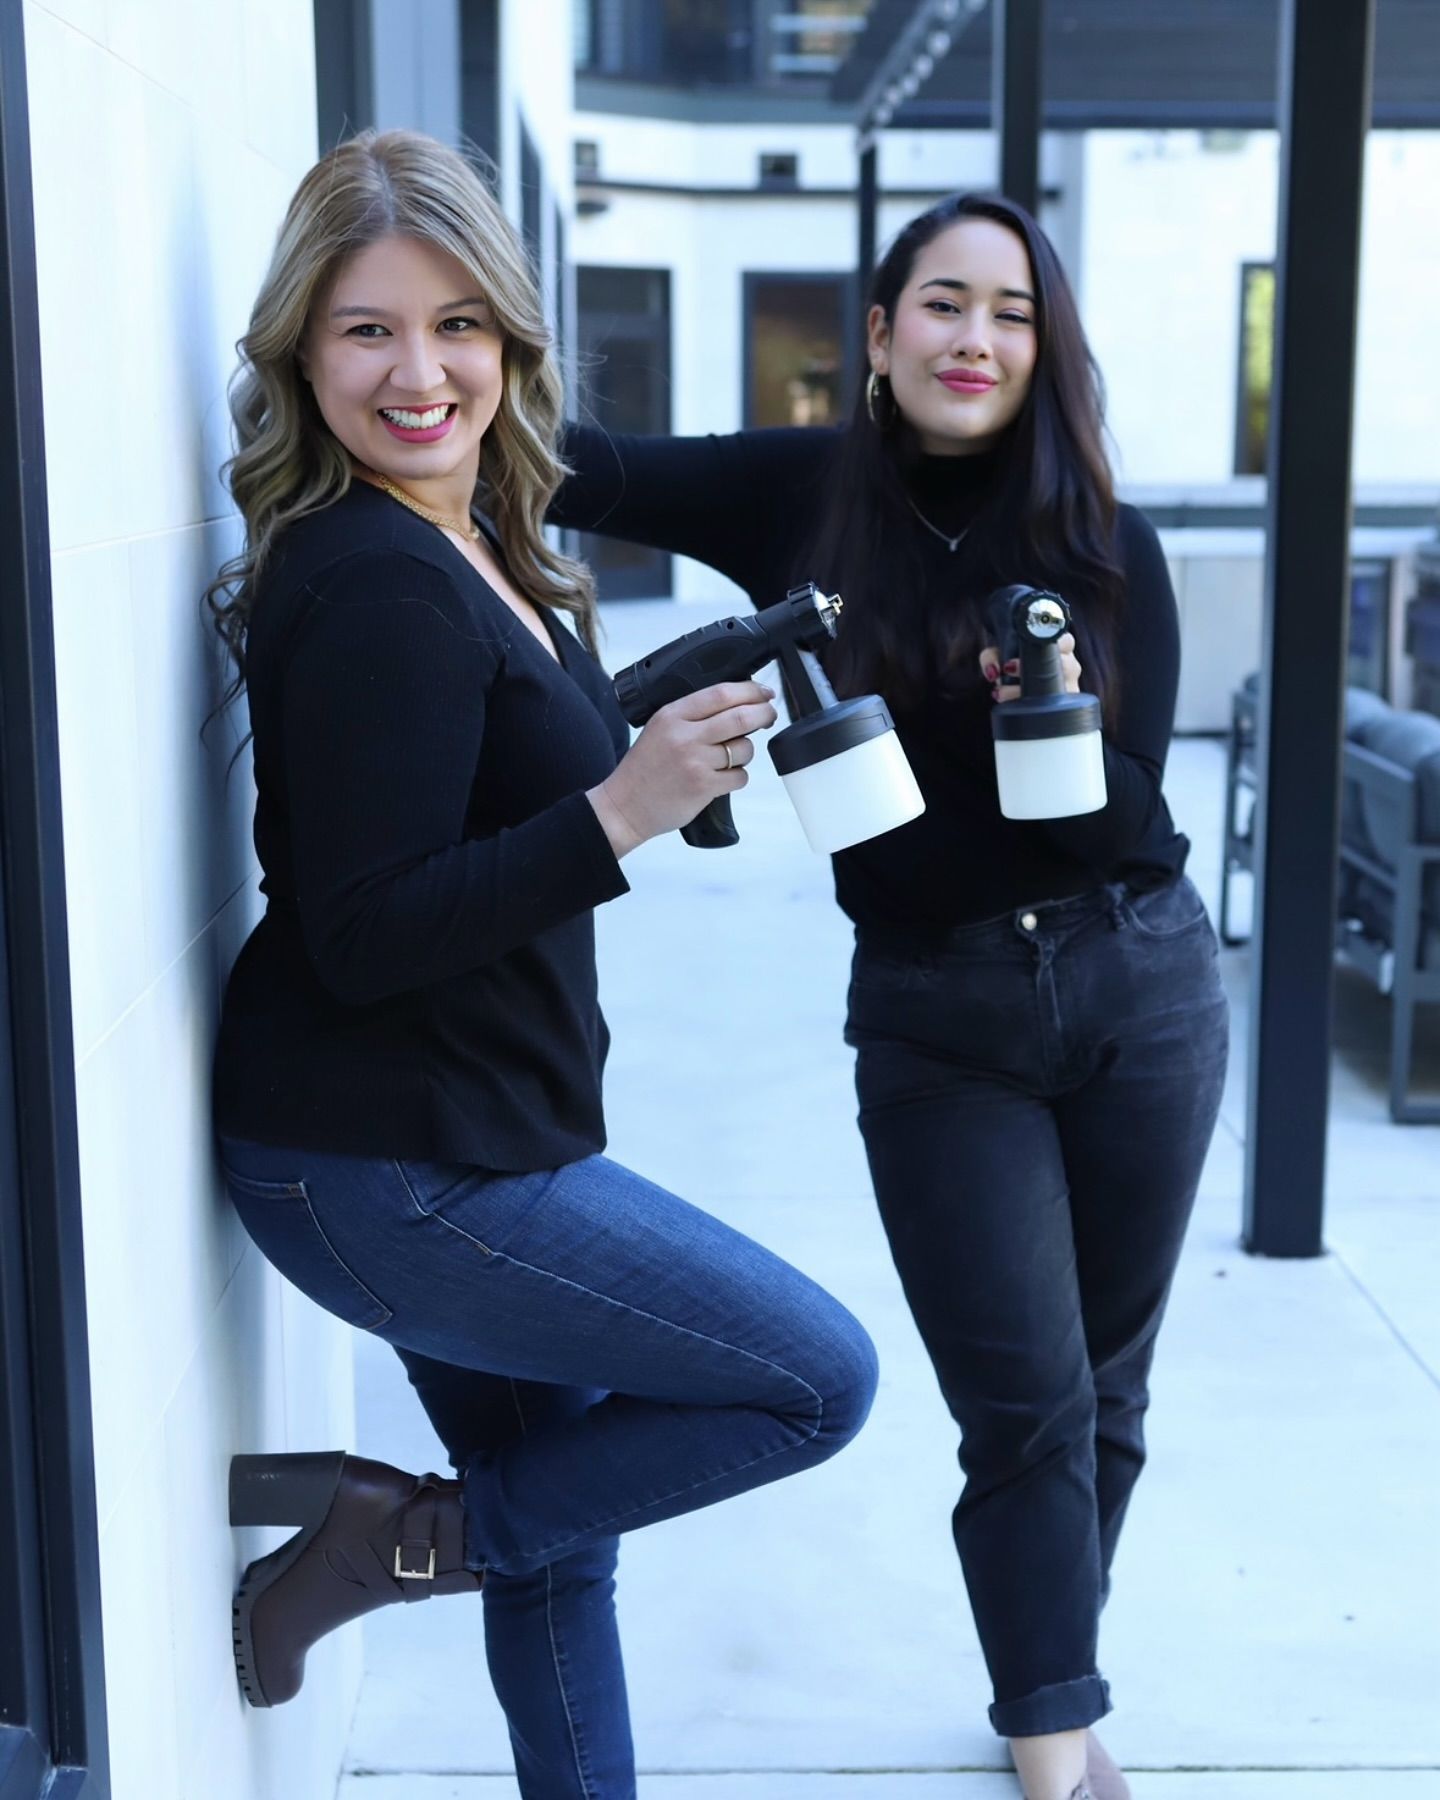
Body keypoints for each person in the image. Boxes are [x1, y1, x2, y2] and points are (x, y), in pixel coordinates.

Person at [207, 128, 878, 1800]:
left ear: (511, 341)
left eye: (459, 327)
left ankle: (438, 1546)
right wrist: (626, 812)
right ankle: (402, 1538)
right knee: (816, 1379)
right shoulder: (376, 578)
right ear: (302, 347)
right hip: (393, 1166)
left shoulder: (479, 538)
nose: (419, 371)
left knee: (569, 1534)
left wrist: (641, 729)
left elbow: (491, 764)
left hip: (466, 1127)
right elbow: (361, 931)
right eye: (366, 328)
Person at [549, 193, 1229, 1800]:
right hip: (937, 1019)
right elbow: (577, 461)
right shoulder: (801, 498)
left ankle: (1048, 1685)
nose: (972, 338)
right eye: (940, 302)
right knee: (1023, 1396)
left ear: (1045, 346)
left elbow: (1143, 817)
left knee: (1103, 1392)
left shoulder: (1105, 542)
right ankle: (1056, 1734)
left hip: (1140, 977)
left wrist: (1036, 717)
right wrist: (426, 332)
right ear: (876, 333)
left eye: (1009, 312)